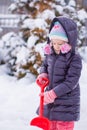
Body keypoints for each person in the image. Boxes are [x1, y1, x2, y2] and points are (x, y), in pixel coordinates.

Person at [36, 16, 82, 130]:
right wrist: (43, 74)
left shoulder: (74, 58)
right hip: (51, 100)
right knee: (50, 125)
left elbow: (71, 82)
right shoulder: (50, 54)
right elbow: (45, 66)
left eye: (60, 44)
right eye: (53, 42)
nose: (56, 46)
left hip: (67, 102)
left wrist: (53, 94)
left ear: (69, 42)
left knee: (63, 126)